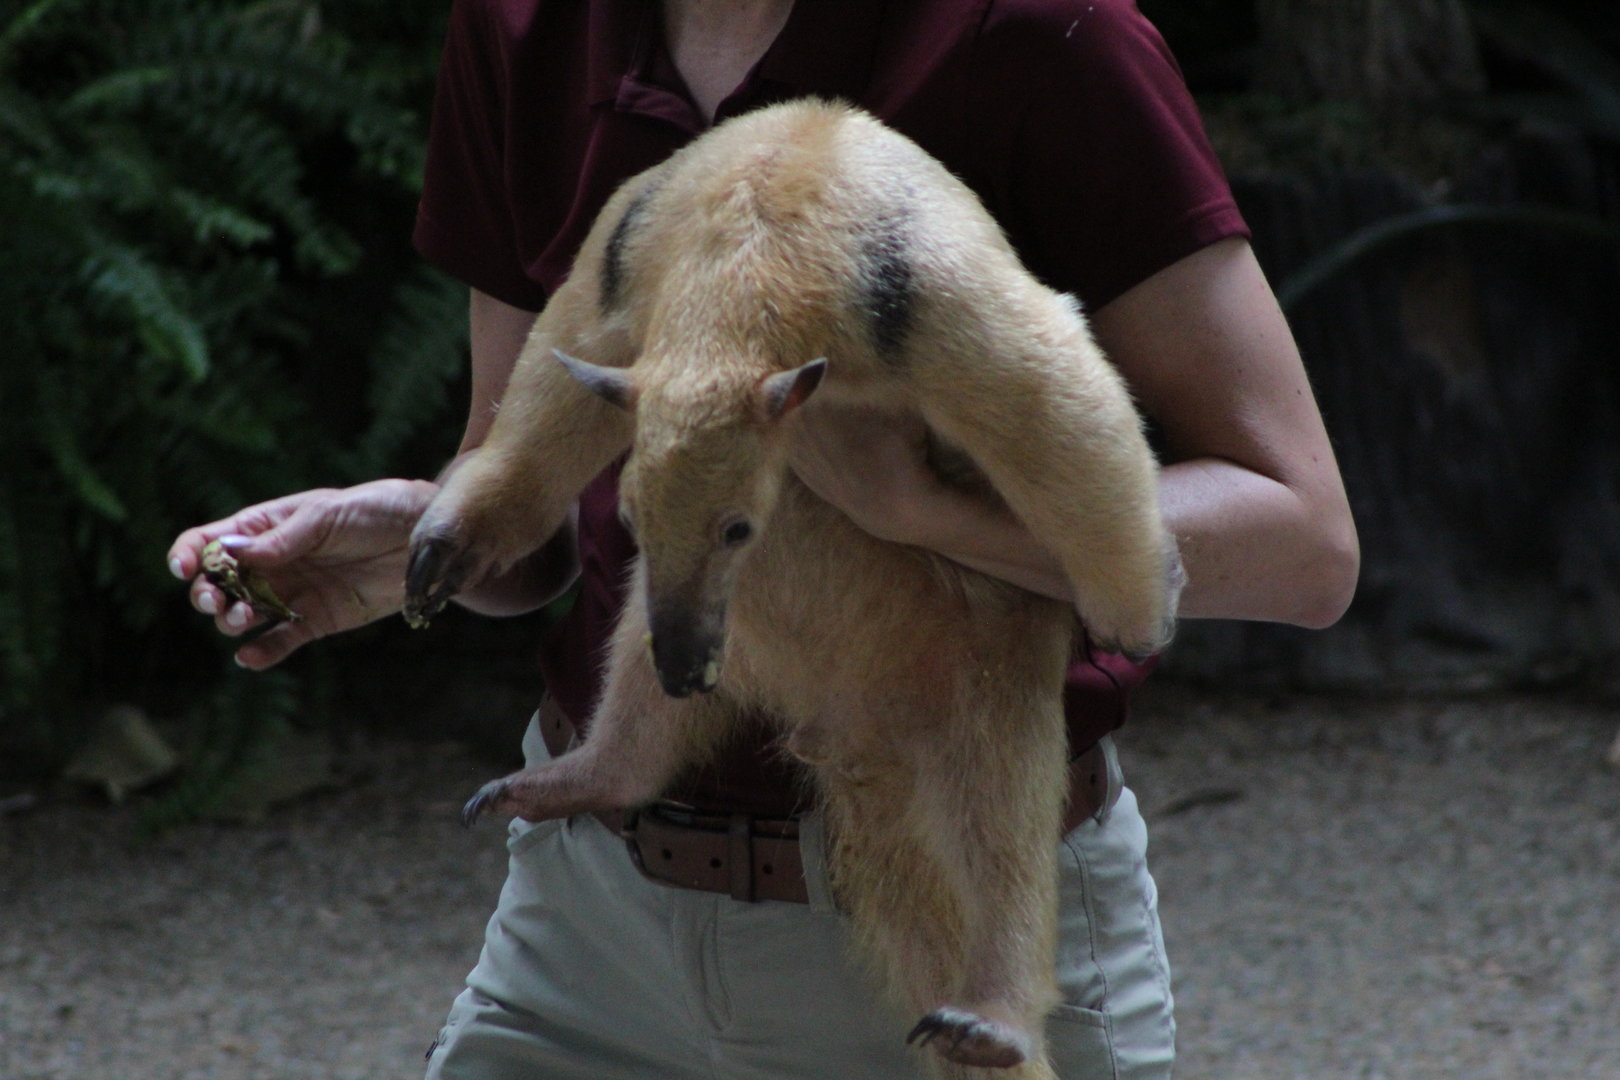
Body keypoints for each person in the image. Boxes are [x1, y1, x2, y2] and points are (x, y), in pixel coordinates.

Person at [168, 1, 1359, 1076]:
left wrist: (928, 510)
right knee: (683, 567)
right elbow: (535, 451)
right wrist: (440, 533)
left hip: (956, 882)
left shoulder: (1038, 37)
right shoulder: (527, 31)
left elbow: (1305, 545)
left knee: (971, 687)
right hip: (592, 937)